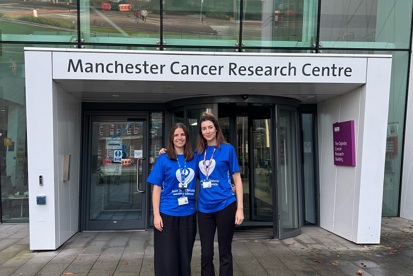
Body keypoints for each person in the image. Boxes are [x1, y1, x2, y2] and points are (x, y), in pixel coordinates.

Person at [196, 112, 244, 276]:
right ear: (201, 132)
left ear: (216, 129)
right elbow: (180, 163)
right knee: (206, 254)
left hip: (225, 206)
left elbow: (237, 179)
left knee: (225, 252)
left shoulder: (228, 149)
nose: (207, 131)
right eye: (204, 128)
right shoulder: (198, 153)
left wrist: (240, 208)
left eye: (210, 127)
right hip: (204, 209)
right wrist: (165, 153)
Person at [147, 123, 198, 276]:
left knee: (185, 256)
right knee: (167, 257)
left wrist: (230, 186)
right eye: (176, 135)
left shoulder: (194, 158)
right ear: (171, 138)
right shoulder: (163, 159)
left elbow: (211, 173)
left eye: (182, 134)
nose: (179, 138)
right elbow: (156, 188)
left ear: (187, 137)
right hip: (167, 214)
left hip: (188, 215)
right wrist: (156, 215)